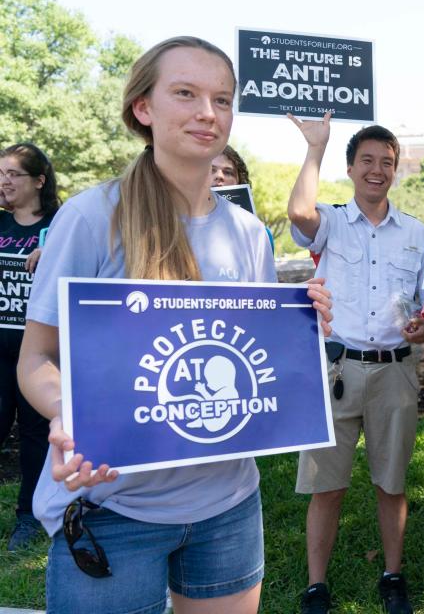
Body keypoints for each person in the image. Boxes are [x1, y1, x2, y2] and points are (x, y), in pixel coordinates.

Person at [16, 36, 332, 614]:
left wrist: (305, 333)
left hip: (229, 507)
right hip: (113, 510)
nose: (208, 113)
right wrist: (67, 412)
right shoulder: (90, 218)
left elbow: (252, 364)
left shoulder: (246, 233)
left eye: (223, 99)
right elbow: (35, 359)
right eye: (185, 93)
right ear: (144, 108)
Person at [286, 111, 424, 614]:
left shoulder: (418, 234)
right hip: (336, 371)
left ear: (396, 169)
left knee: (391, 483)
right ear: (350, 168)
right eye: (367, 160)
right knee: (327, 486)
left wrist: (423, 327)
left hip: (395, 371)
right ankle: (316, 586)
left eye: (386, 162)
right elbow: (299, 213)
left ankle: (393, 576)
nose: (377, 169)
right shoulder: (330, 223)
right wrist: (315, 147)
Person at [0, 143, 59, 550]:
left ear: (39, 180)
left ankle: (28, 517)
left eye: (13, 174)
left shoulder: (62, 222)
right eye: (0, 173)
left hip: (40, 353)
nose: (4, 181)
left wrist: (51, 251)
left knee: (37, 436)